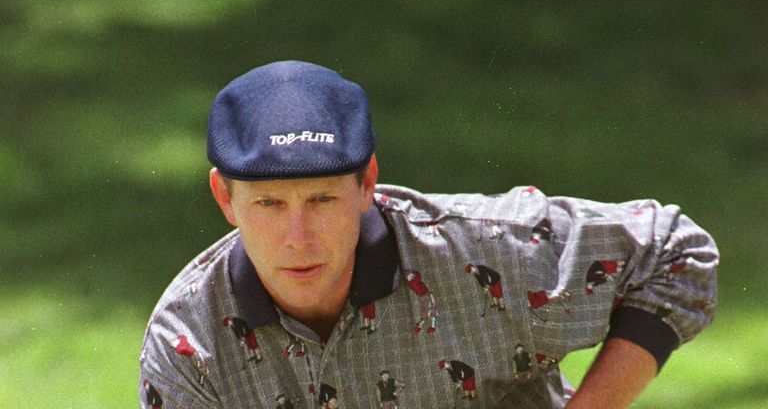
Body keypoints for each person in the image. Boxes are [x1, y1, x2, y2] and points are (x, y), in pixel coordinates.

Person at [139, 60, 718, 408]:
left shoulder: (483, 249)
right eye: (268, 203)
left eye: (322, 200)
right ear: (225, 197)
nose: (298, 236)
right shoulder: (189, 345)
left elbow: (673, 253)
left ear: (367, 184)